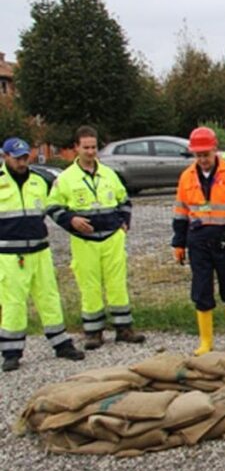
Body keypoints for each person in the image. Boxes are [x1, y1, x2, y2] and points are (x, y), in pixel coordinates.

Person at [47, 126, 145, 349]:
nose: (91, 152)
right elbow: (52, 206)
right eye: (86, 147)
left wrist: (124, 223)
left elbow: (124, 200)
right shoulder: (66, 178)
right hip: (85, 241)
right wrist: (71, 220)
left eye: (94, 147)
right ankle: (94, 331)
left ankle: (124, 329)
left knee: (117, 284)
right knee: (89, 286)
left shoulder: (109, 174)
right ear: (76, 148)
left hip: (112, 238)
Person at [0, 138, 85, 370]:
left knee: (49, 298)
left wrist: (72, 221)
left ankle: (61, 344)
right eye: (17, 157)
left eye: (25, 157)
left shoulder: (39, 181)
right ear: (5, 156)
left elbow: (54, 209)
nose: (22, 161)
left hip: (40, 251)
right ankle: (11, 352)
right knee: (13, 303)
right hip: (10, 255)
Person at [172, 127, 225, 355]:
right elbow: (180, 212)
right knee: (202, 289)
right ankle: (206, 341)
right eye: (198, 155)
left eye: (206, 154)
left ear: (215, 150)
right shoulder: (186, 177)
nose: (203, 159)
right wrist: (178, 242)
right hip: (198, 240)